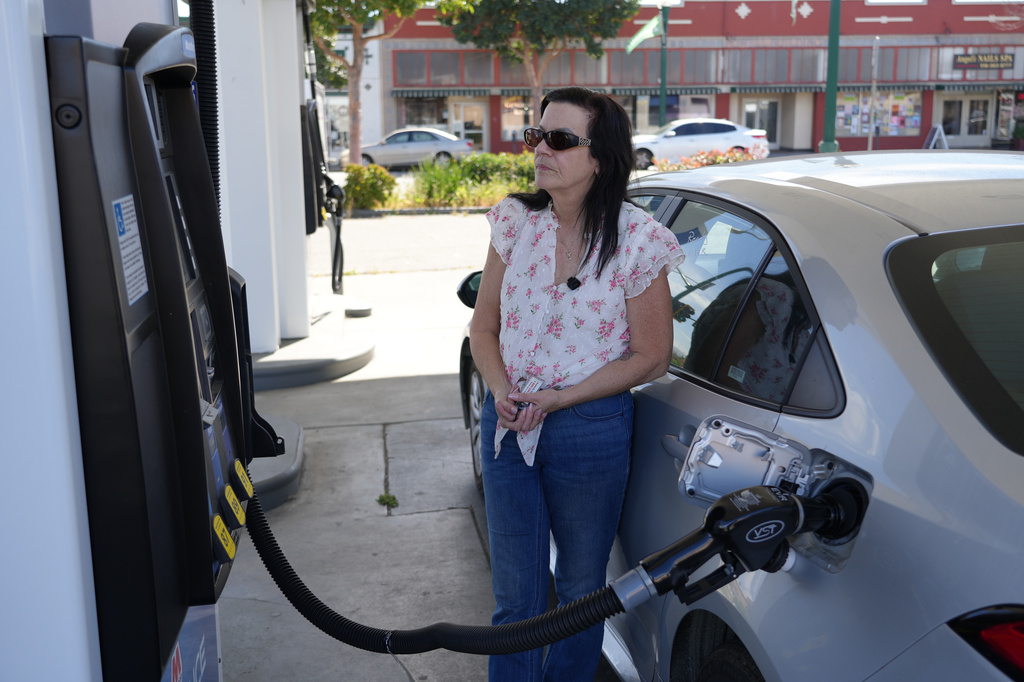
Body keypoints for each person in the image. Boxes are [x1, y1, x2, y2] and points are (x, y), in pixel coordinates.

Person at [469, 86, 685, 681]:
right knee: (516, 599)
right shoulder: (513, 221)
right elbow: (482, 328)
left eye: (560, 140)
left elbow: (652, 356)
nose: (541, 149)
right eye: (535, 136)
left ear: (601, 158)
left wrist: (561, 398)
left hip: (589, 428)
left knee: (582, 592)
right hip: (509, 424)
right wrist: (499, 389)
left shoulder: (639, 241)